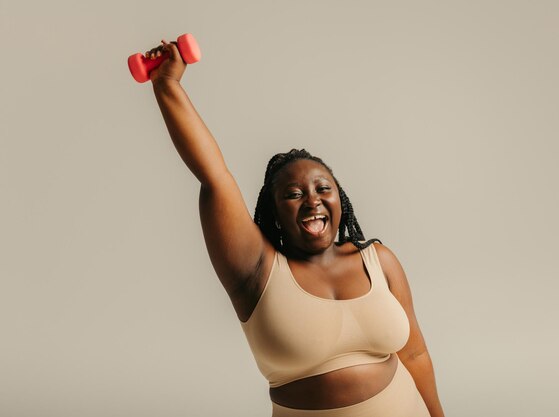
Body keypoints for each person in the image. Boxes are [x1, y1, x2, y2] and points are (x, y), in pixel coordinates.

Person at [145, 39, 445, 417]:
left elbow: (415, 353)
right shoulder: (258, 271)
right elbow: (215, 178)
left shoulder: (378, 260)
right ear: (275, 212)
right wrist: (167, 86)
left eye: (323, 188)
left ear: (340, 199)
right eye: (293, 194)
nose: (312, 199)